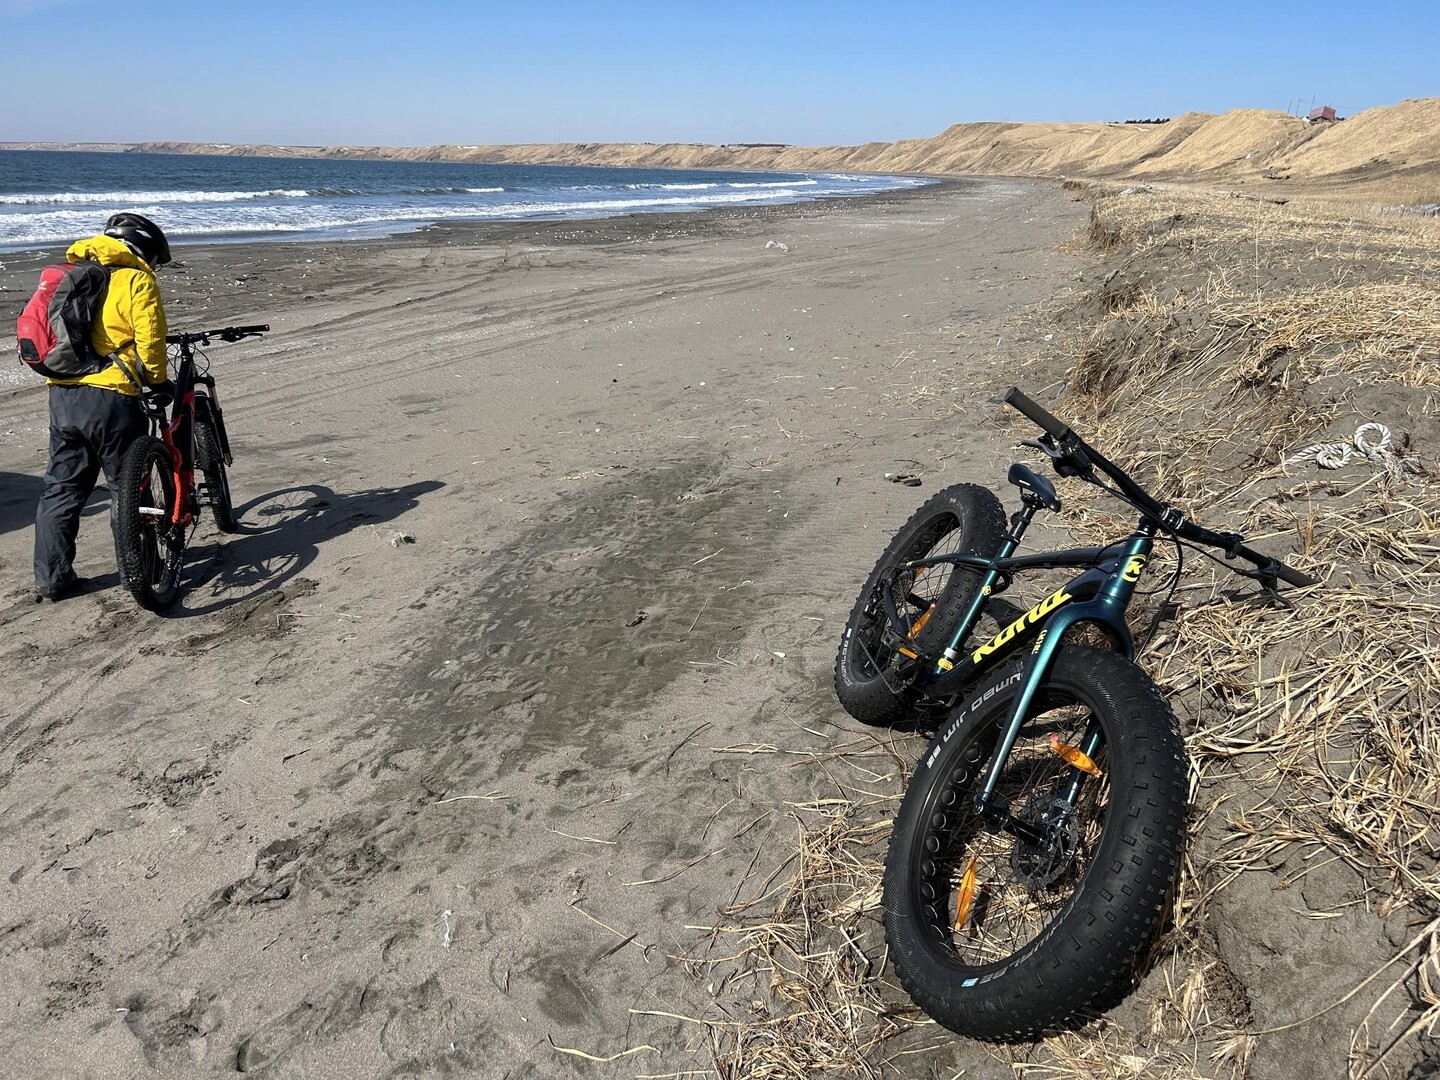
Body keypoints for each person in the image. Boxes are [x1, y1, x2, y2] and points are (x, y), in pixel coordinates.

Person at [33, 212, 172, 602]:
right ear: (143, 249)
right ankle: (140, 572)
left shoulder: (72, 272)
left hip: (62, 392)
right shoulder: (135, 278)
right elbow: (150, 340)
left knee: (61, 489)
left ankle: (52, 580)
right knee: (128, 486)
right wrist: (157, 382)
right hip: (110, 396)